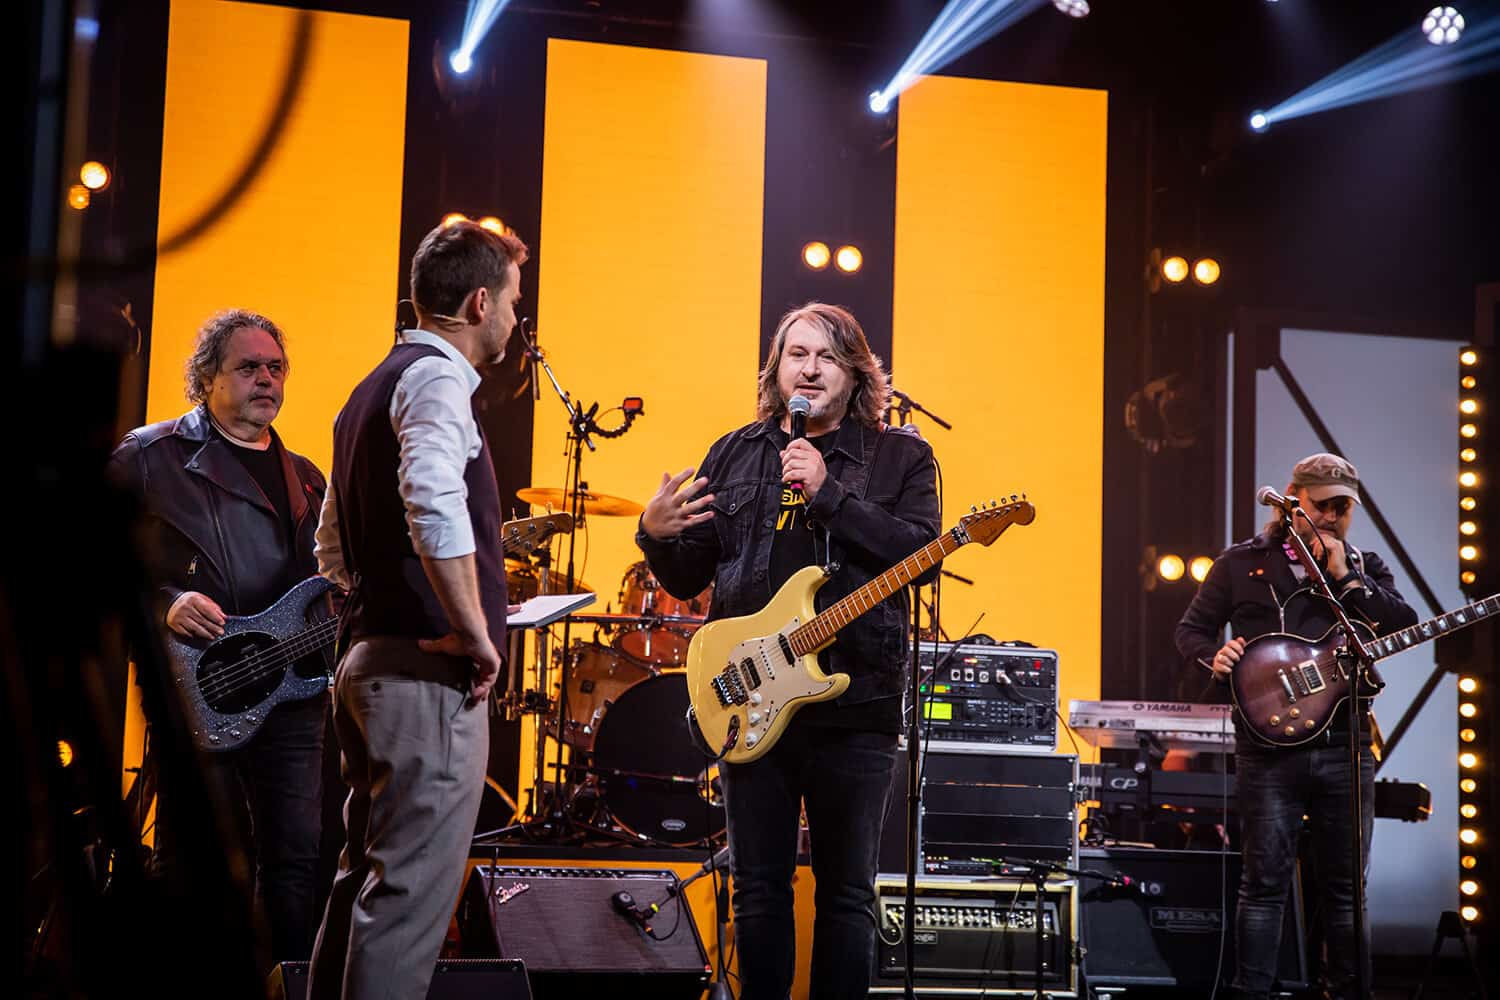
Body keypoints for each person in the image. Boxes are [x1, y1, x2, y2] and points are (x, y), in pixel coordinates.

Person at [637, 302, 940, 999]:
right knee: (758, 890)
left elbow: (921, 557)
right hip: (749, 696)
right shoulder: (734, 453)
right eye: (796, 354)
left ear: (856, 373)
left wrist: (829, 495)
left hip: (855, 702)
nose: (809, 369)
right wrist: (655, 534)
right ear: (775, 369)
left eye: (827, 356)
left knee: (847, 895)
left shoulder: (900, 456)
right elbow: (688, 575)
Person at [308, 220, 526, 1000]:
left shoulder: (372, 386)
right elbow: (433, 503)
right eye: (512, 302)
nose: (515, 320)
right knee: (404, 906)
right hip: (423, 677)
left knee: (362, 884)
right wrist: (473, 632)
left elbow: (330, 545)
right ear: (479, 303)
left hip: (369, 663)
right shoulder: (437, 380)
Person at [108, 309, 329, 965]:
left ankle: (283, 984)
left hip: (293, 694)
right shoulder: (149, 457)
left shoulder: (308, 477)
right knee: (193, 859)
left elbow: (327, 584)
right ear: (207, 377)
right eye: (249, 366)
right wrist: (163, 605)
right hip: (200, 685)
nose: (266, 379)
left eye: (276, 367)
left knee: (295, 861)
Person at [1175, 452, 1418, 1000]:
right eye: (1321, 505)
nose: (1331, 516)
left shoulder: (1363, 567)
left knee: (1346, 890)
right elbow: (1191, 630)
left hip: (1345, 743)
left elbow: (1403, 622)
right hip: (1268, 749)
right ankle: (1253, 992)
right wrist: (1214, 656)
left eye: (1342, 508)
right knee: (1264, 884)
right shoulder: (1241, 563)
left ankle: (1346, 991)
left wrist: (1346, 578)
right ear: (1292, 500)